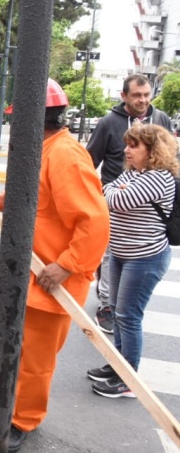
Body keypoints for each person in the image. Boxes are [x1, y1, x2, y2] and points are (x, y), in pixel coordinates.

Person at [0, 79, 109, 452]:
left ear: (34, 117)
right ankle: (3, 403)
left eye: (17, 117)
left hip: (50, 281)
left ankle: (23, 420)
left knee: (35, 360)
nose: (12, 124)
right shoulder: (43, 150)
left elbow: (94, 222)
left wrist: (67, 265)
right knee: (11, 348)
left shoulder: (65, 156)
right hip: (25, 275)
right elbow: (27, 196)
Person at [87, 123, 177, 398]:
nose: (126, 150)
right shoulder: (135, 173)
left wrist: (114, 190)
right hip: (121, 254)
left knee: (128, 316)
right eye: (127, 144)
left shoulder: (159, 178)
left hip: (145, 258)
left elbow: (115, 200)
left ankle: (128, 379)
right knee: (117, 313)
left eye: (134, 146)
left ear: (153, 150)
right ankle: (118, 366)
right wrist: (115, 189)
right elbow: (107, 189)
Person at [86, 73, 171, 334]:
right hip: (114, 200)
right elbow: (90, 162)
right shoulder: (109, 123)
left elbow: (170, 158)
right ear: (124, 96)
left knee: (130, 298)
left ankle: (120, 308)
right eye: (136, 95)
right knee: (109, 256)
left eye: (146, 95)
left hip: (147, 209)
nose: (143, 100)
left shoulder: (161, 119)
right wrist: (103, 193)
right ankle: (106, 306)